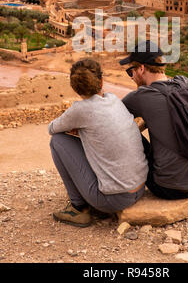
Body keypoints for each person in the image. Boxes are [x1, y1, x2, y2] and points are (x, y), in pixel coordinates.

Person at [48, 58, 148, 227]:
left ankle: (78, 208)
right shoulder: (113, 99)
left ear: (75, 88)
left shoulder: (80, 109)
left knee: (57, 140)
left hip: (114, 200)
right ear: (101, 81)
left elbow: (52, 128)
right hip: (140, 188)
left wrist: (77, 128)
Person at [120, 40, 188, 200]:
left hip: (168, 188)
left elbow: (110, 118)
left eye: (131, 71)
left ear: (142, 69)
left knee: (129, 136)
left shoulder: (141, 97)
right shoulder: (185, 85)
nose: (132, 77)